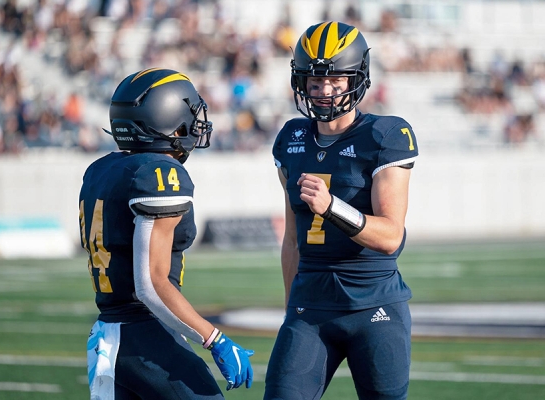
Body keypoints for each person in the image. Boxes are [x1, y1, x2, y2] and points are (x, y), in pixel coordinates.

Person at [264, 21, 419, 400]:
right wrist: (291, 310)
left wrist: (333, 206)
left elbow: (390, 237)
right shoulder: (292, 138)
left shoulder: (384, 135)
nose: (324, 90)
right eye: (314, 82)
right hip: (311, 305)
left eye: (335, 79)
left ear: (357, 78)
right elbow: (292, 242)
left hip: (375, 304)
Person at [79, 68, 254, 399]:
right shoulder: (159, 174)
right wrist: (214, 338)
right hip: (144, 336)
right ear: (166, 117)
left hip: (108, 332)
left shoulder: (101, 169)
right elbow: (151, 285)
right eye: (189, 112)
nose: (195, 122)